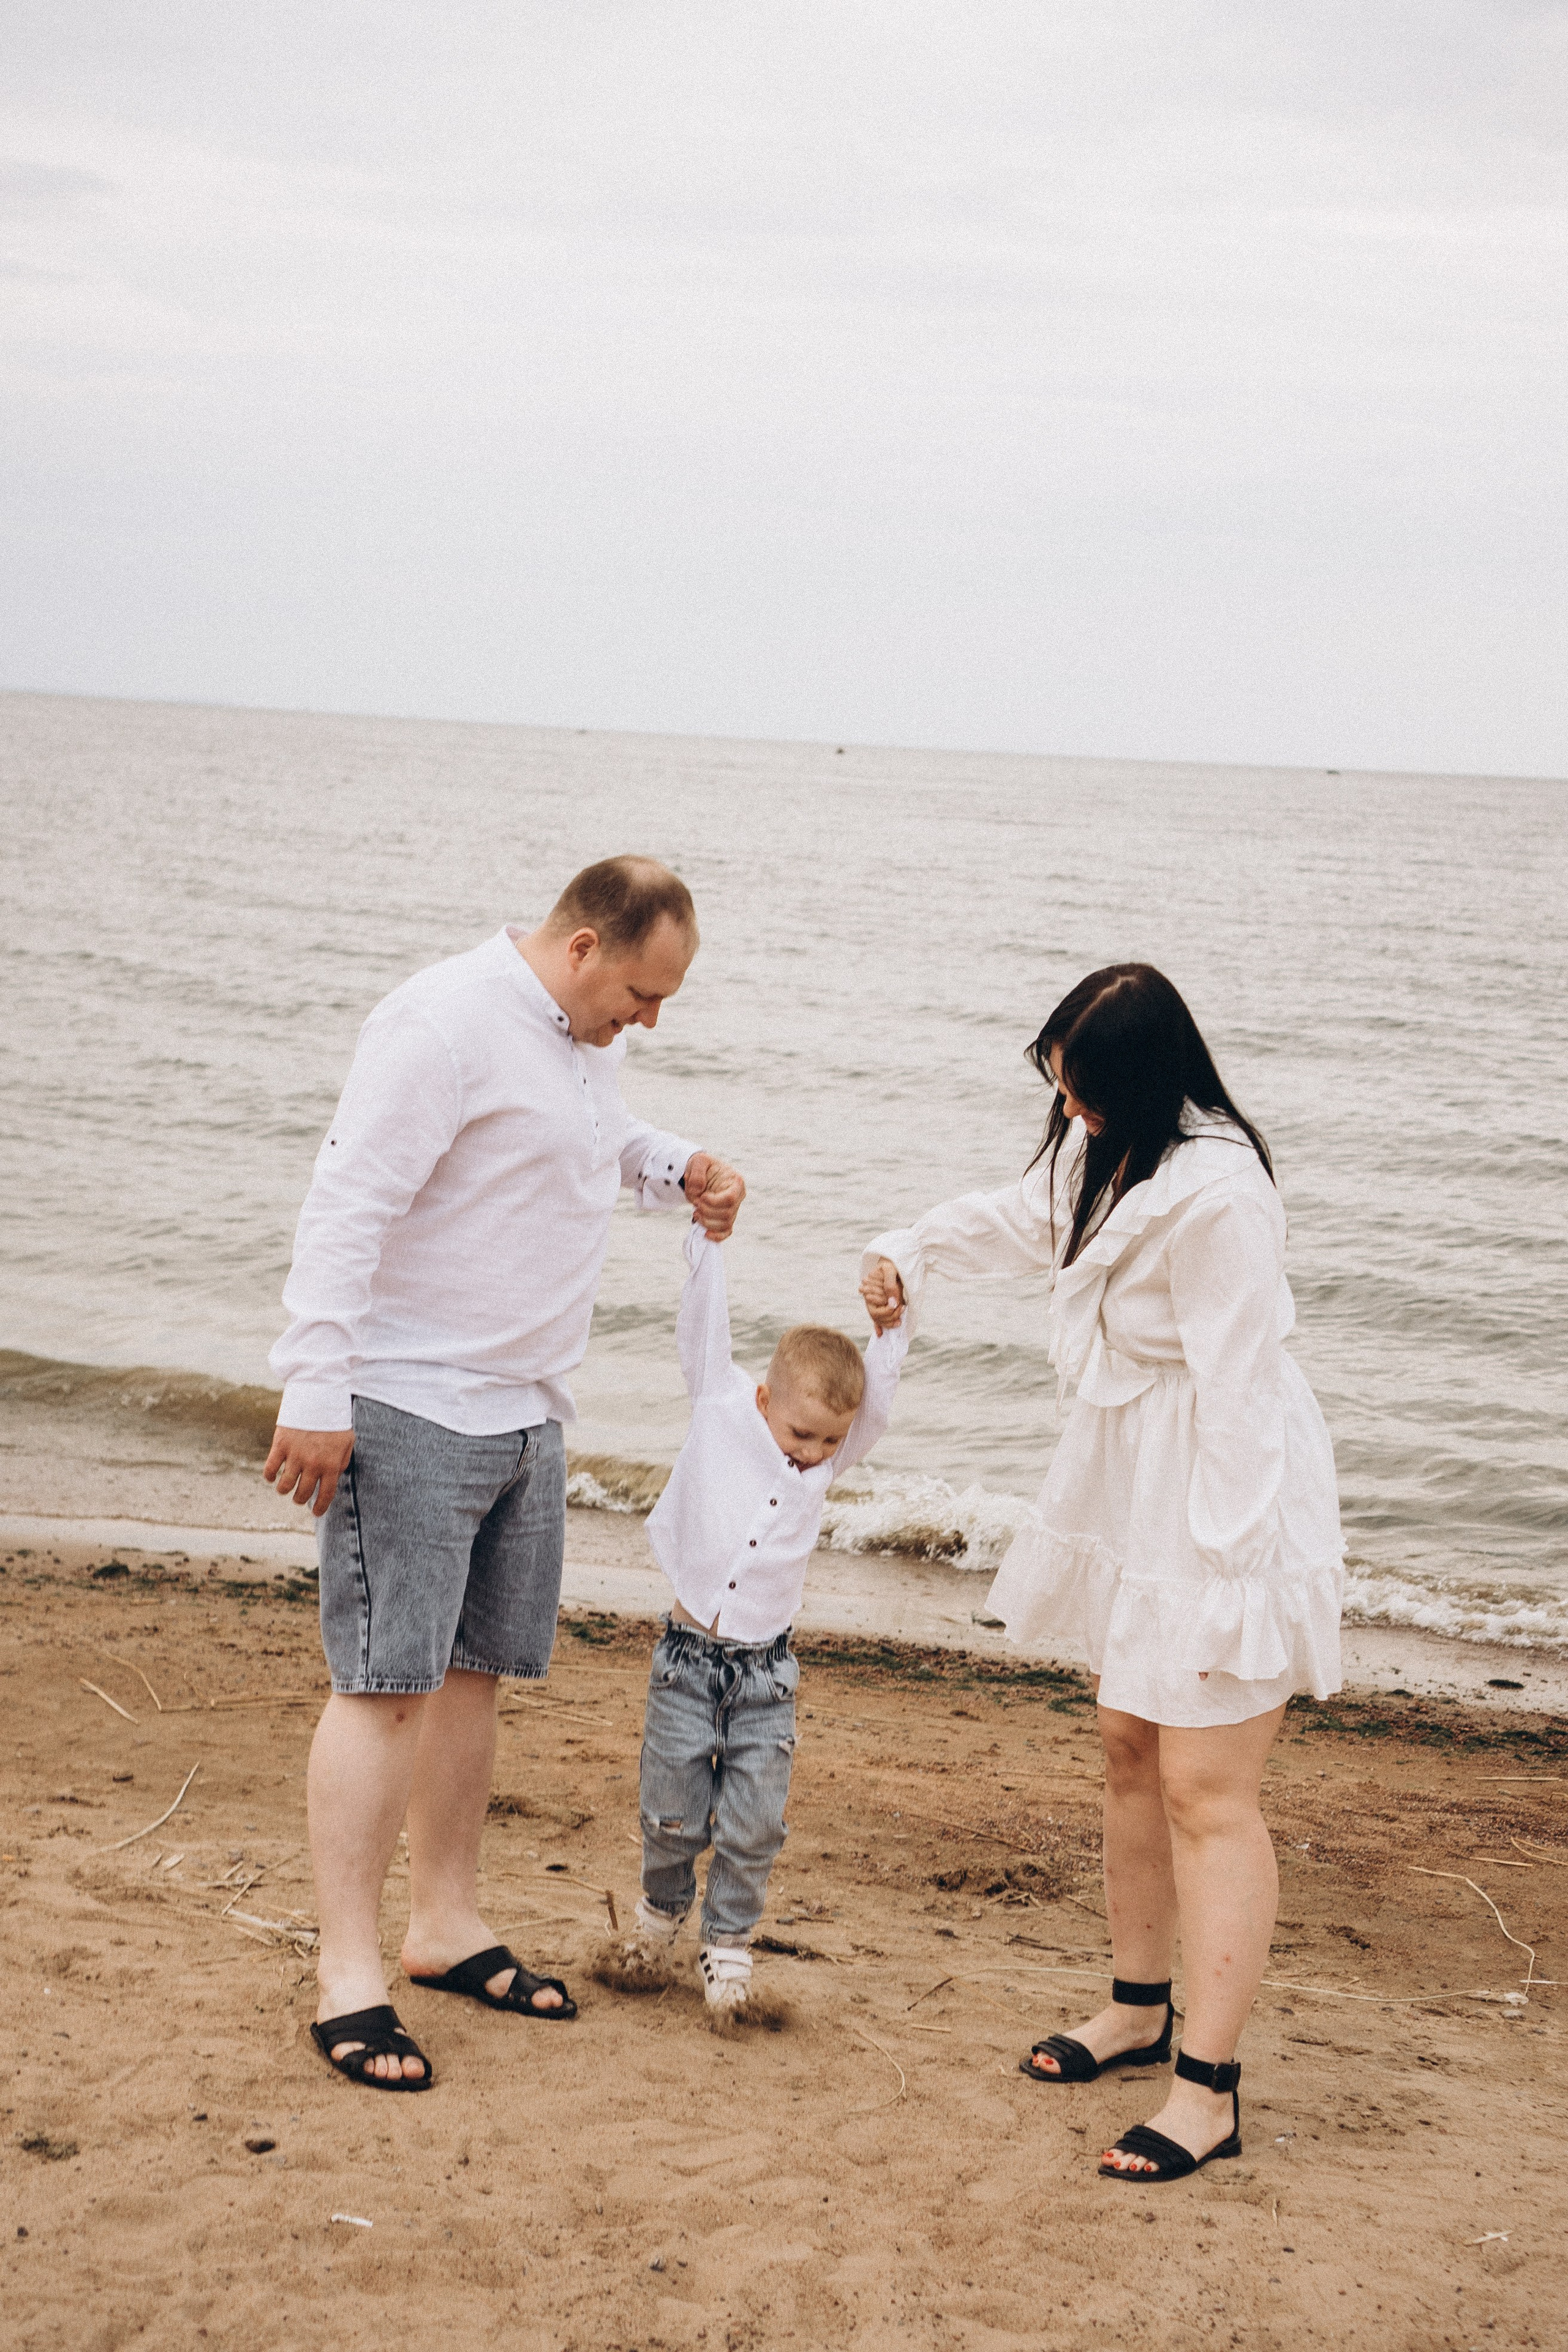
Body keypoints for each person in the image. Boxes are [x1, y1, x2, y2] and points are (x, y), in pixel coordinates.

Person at [264, 857, 746, 2091]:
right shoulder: (440, 1022)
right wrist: (315, 1391)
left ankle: (445, 1927)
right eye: (642, 994)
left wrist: (671, 1164)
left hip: (530, 1406)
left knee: (478, 1678)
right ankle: (348, 1975)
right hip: (411, 1400)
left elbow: (579, 1143)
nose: (648, 1020)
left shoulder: (584, 1041)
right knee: (384, 1685)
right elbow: (349, 1201)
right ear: (582, 946)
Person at [860, 963, 1343, 2182]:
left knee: (1206, 1786)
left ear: (1141, 1081)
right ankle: (1136, 2009)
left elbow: (1238, 1390)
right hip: (1136, 1469)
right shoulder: (1108, 1150)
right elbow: (1020, 1215)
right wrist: (904, 1251)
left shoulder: (1219, 1192)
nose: (1066, 1112)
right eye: (1059, 1090)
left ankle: (1208, 2090)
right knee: (1126, 1741)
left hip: (1224, 1486)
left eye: (1082, 1092)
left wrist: (1229, 1580)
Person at [599, 1221, 908, 2019]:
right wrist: (705, 1241)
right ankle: (660, 1917)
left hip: (766, 1676)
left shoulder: (831, 1453)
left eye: (829, 1442)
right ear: (764, 1400)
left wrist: (891, 1333)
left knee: (753, 1823)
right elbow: (704, 1324)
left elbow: (871, 1414)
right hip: (685, 1664)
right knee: (671, 1812)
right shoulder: (724, 1405)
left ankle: (727, 1946)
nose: (813, 1455)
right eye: (802, 1435)